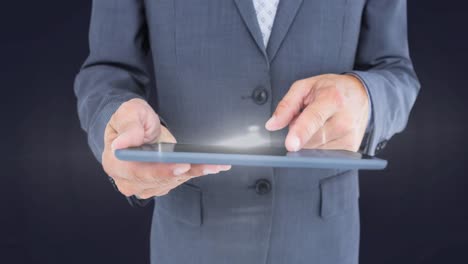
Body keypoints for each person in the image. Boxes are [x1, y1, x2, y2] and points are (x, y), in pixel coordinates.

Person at [74, 0, 419, 263]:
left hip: (322, 241)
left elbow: (396, 72)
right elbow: (107, 70)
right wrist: (114, 124)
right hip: (192, 242)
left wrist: (364, 97)